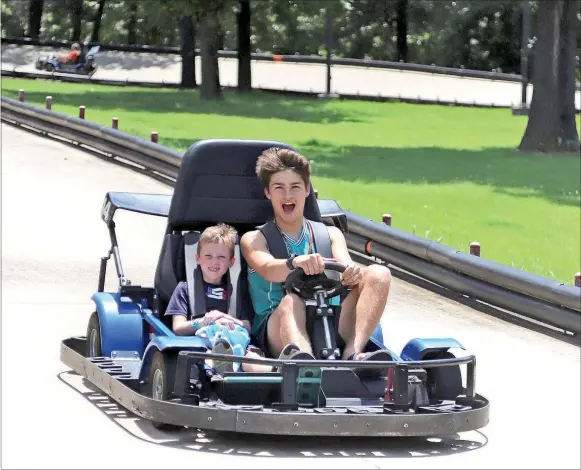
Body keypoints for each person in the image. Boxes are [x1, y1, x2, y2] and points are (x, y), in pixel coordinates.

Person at [241, 147, 393, 364]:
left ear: (307, 190)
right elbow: (267, 268)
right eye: (279, 188)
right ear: (268, 193)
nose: (287, 196)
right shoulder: (255, 239)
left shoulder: (330, 234)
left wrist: (351, 274)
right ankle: (305, 365)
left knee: (379, 273)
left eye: (295, 187)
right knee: (291, 301)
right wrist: (295, 263)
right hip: (278, 328)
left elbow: (346, 266)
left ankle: (353, 354)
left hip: (329, 319)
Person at [164, 223, 271, 375]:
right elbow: (178, 328)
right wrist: (205, 321)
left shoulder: (238, 291)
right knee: (205, 355)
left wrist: (225, 318)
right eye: (208, 256)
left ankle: (283, 372)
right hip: (203, 345)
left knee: (252, 359)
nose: (214, 262)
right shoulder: (184, 289)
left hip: (237, 342)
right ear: (198, 258)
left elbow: (247, 326)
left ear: (231, 262)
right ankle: (222, 365)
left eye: (221, 257)